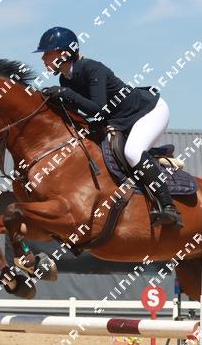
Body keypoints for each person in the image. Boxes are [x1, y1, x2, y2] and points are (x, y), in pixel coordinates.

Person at [34, 26, 183, 228]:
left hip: (148, 111)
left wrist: (66, 94)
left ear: (63, 54)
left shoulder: (92, 68)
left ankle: (169, 208)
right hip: (121, 120)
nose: (43, 58)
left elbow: (98, 109)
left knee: (132, 152)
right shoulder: (65, 78)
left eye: (47, 53)